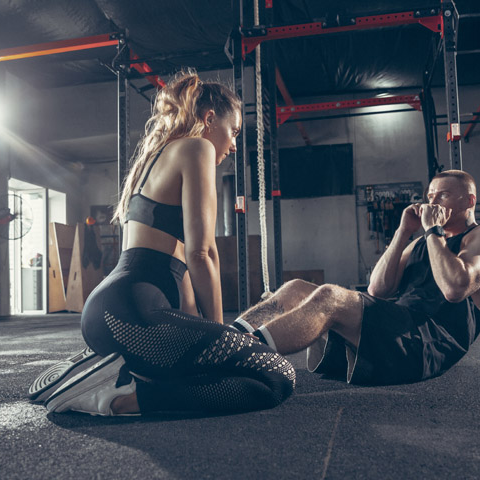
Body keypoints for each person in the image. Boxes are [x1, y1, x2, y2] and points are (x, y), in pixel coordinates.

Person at [30, 71, 295, 416]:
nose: (233, 145)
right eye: (233, 132)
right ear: (209, 119)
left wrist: (205, 335)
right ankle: (114, 399)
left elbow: (175, 270)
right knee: (278, 376)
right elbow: (202, 253)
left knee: (207, 378)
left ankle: (109, 374)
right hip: (134, 313)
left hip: (109, 313)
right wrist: (220, 334)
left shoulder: (153, 158)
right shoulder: (197, 147)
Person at [229, 170, 480, 385]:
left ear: (469, 201)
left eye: (442, 196)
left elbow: (455, 288)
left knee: (329, 297)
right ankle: (227, 338)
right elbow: (378, 290)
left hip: (428, 343)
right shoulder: (423, 243)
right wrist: (403, 232)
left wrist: (433, 230)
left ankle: (236, 356)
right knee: (296, 288)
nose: (431, 202)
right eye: (430, 195)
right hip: (396, 328)